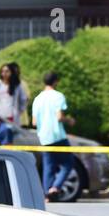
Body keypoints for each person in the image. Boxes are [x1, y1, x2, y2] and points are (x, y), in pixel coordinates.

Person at [31, 71, 76, 200]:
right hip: (57, 135)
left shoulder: (38, 98)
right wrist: (70, 121)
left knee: (49, 166)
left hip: (44, 137)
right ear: (56, 81)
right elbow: (59, 117)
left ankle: (47, 194)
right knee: (68, 163)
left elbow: (34, 122)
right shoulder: (58, 96)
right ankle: (55, 187)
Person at [0, 62, 29, 126]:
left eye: (7, 71)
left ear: (11, 72)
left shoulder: (17, 85)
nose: (4, 74)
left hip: (11, 116)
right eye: (2, 71)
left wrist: (19, 111)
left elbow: (23, 100)